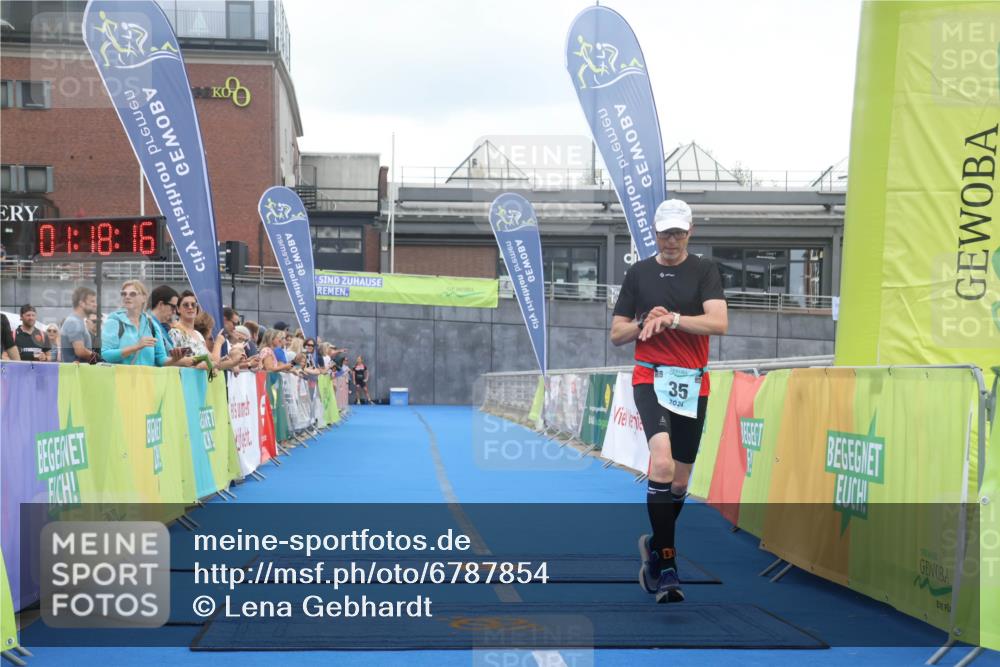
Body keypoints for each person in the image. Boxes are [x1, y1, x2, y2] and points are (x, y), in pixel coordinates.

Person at [610, 199, 728, 604]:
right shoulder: (638, 273)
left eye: (678, 233)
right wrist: (646, 321)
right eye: (665, 233)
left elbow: (719, 322)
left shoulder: (704, 270)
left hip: (693, 383)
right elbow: (617, 334)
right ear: (655, 233)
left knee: (679, 481)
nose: (672, 240)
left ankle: (654, 546)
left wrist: (674, 319)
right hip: (651, 377)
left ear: (690, 231)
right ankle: (667, 565)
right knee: (661, 464)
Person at [101, 281, 187, 367]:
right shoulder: (114, 321)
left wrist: (174, 359)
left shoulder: (152, 325)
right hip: (120, 375)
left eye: (133, 294)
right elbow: (105, 355)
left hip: (147, 376)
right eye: (124, 294)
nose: (127, 296)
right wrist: (136, 347)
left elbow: (160, 359)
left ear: (144, 298)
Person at [60, 286, 98, 363]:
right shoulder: (74, 322)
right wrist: (97, 358)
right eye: (92, 301)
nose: (95, 304)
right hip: (75, 370)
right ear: (82, 303)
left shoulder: (76, 321)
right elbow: (80, 351)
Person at [148, 285, 180, 350]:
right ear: (161, 304)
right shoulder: (148, 324)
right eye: (173, 307)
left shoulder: (157, 325)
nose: (174, 312)